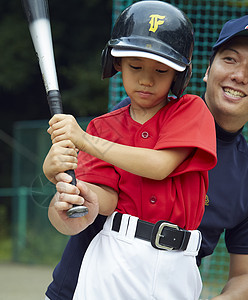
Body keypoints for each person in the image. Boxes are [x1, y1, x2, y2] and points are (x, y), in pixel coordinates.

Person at [43, 12, 248, 300]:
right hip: (86, 286)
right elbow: (88, 206)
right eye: (230, 59)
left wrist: (85, 141)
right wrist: (64, 188)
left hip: (172, 281)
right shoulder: (136, 113)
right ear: (207, 70)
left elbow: (246, 277)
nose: (239, 75)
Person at [44, 1, 217, 299]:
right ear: (117, 64)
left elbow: (160, 165)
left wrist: (84, 141)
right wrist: (69, 185)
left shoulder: (192, 110)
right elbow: (107, 202)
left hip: (179, 264)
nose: (146, 79)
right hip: (115, 256)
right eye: (135, 66)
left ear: (179, 75)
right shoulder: (103, 127)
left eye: (161, 70)